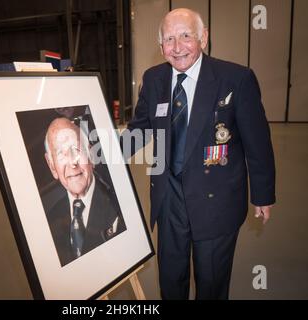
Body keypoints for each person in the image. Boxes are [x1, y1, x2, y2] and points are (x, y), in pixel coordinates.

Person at [121, 8, 275, 299]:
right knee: (171, 280)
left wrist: (263, 193)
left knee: (211, 283)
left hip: (216, 200)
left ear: (203, 37)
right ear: (161, 46)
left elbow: (258, 141)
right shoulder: (153, 79)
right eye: (169, 39)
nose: (177, 47)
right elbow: (138, 131)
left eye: (185, 36)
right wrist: (99, 158)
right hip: (169, 200)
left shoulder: (236, 79)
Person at [44, 117, 126, 267]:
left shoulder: (121, 205)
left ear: (91, 155)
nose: (72, 162)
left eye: (76, 149)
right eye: (61, 154)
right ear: (52, 166)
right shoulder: (49, 221)